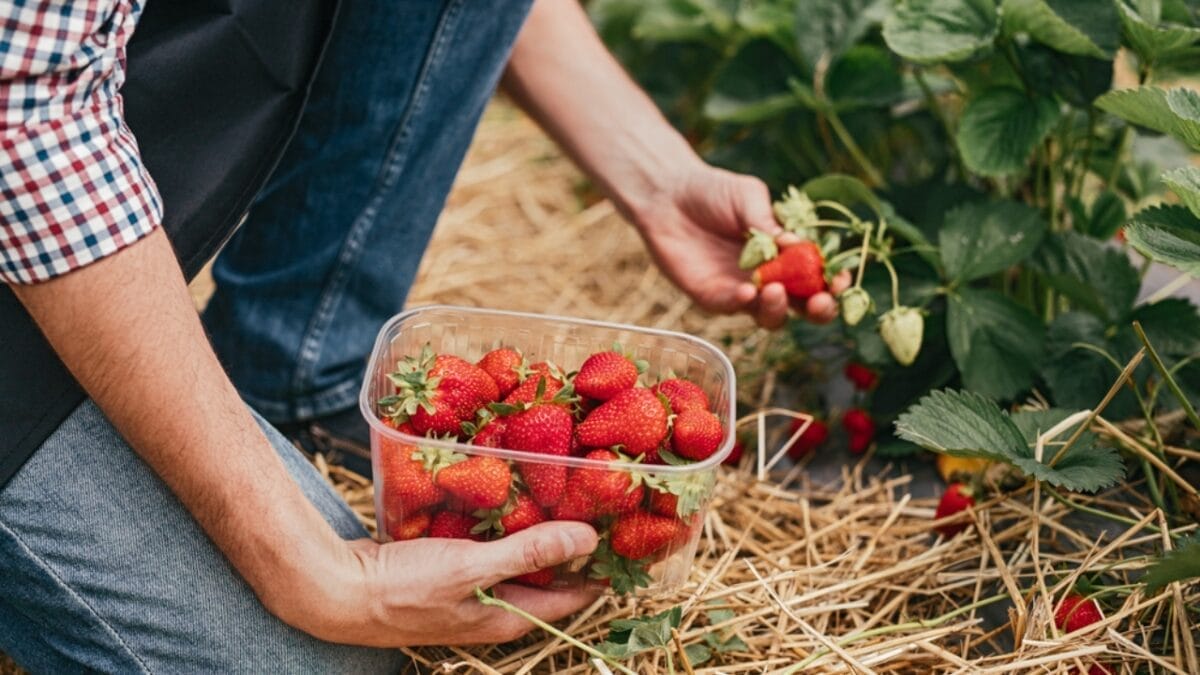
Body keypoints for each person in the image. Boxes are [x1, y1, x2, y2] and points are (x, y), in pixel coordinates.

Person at [0, 1, 830, 671]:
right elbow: (24, 112)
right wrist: (320, 575)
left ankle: (295, 383)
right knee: (328, 663)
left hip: (84, 198)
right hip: (28, 172)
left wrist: (658, 178)